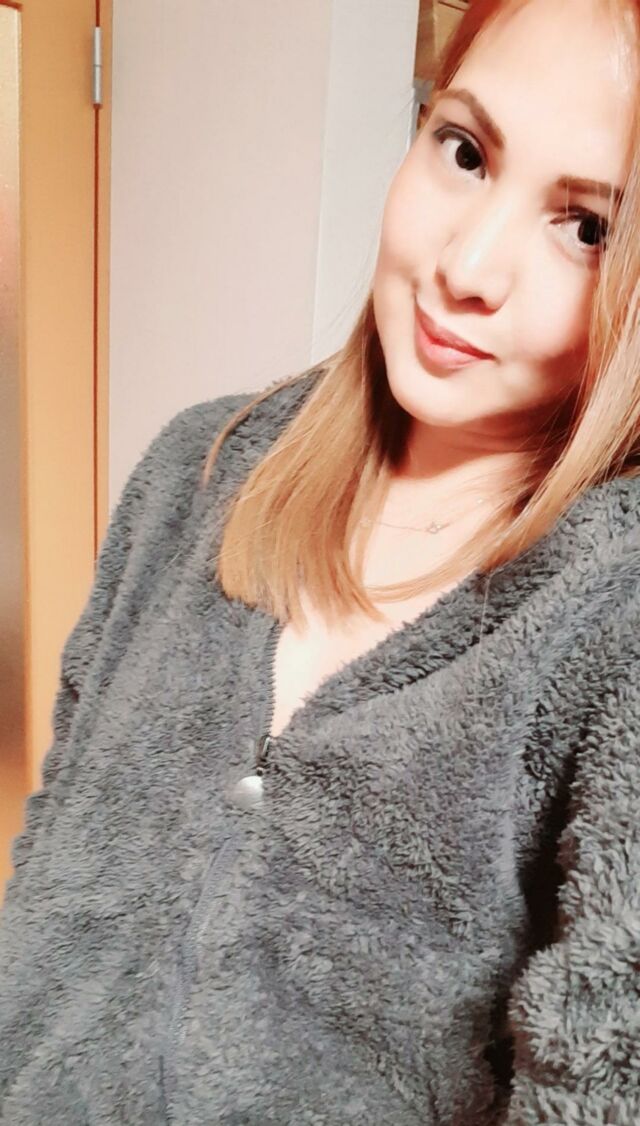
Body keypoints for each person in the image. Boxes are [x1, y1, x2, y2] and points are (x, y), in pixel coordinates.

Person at [1, 0, 639, 1121]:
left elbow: (601, 1070)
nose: (467, 265)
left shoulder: (612, 609)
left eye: (585, 226)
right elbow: (60, 842)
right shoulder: (196, 465)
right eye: (464, 151)